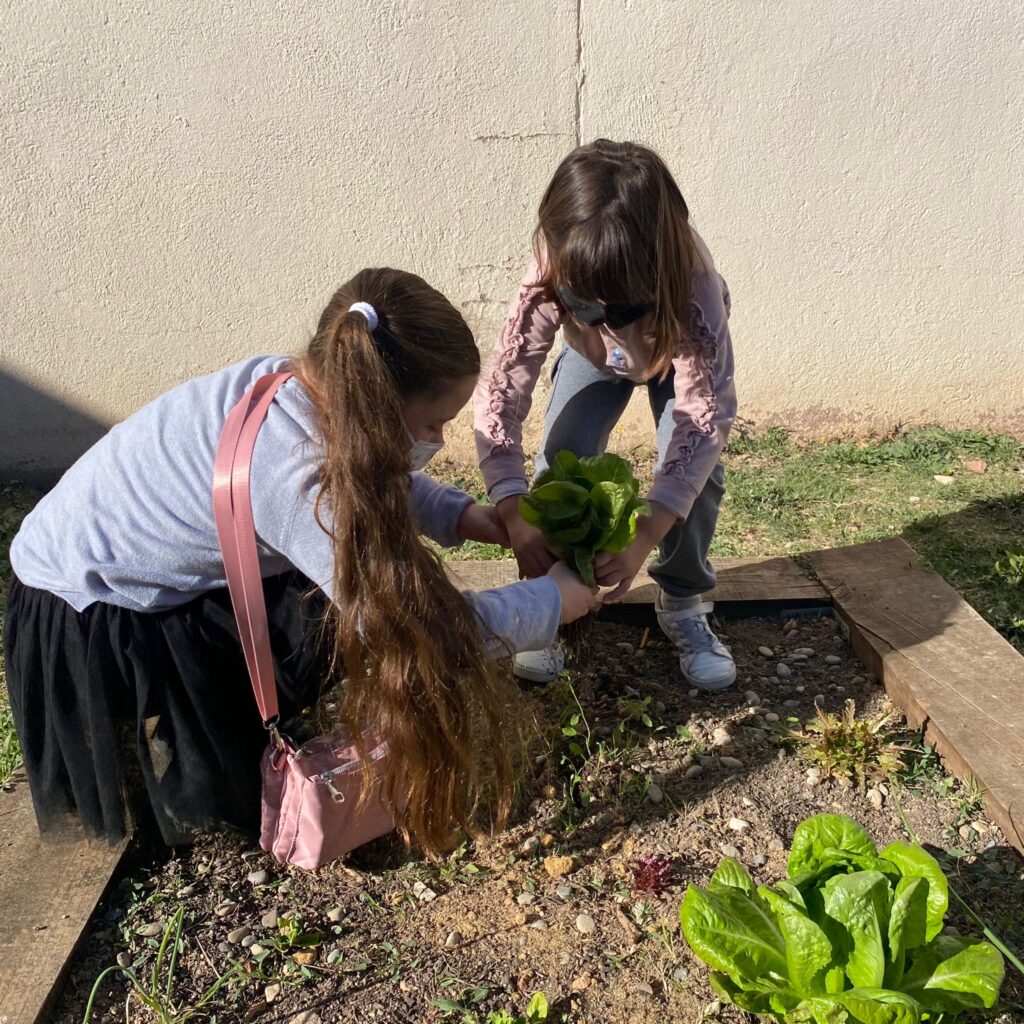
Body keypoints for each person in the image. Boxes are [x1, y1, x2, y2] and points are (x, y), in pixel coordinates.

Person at [5, 267, 599, 857]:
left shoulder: (301, 384)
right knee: (348, 620)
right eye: (432, 424)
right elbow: (419, 632)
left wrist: (462, 515)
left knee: (327, 610)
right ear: (376, 404)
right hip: (88, 612)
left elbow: (370, 473)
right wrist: (554, 602)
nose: (438, 442)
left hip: (91, 561)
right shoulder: (297, 476)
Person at [474, 139, 737, 689]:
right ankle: (555, 603)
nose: (604, 315)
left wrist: (644, 535)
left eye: (621, 306)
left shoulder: (693, 285)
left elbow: (703, 415)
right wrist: (514, 508)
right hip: (591, 360)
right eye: (585, 305)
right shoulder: (553, 270)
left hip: (674, 353)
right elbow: (503, 387)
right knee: (561, 461)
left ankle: (683, 600)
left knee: (697, 475)